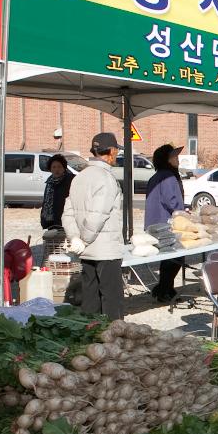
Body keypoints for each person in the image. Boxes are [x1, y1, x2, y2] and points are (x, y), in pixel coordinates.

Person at [62, 132, 125, 320]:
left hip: (86, 251)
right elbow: (98, 215)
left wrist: (75, 238)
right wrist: (84, 239)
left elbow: (67, 212)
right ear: (111, 151)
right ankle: (114, 342)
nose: (117, 155)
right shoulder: (106, 178)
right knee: (112, 300)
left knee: (90, 299)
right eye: (116, 151)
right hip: (105, 250)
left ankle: (89, 338)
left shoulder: (79, 177)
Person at [144, 143, 185, 303]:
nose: (178, 159)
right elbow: (172, 201)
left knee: (168, 258)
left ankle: (166, 288)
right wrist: (183, 215)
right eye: (174, 156)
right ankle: (163, 289)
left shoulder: (157, 176)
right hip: (166, 224)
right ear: (166, 159)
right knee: (175, 257)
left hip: (154, 224)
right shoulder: (168, 176)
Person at [40, 154, 73, 230]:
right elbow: (45, 202)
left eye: (59, 167)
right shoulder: (49, 182)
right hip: (51, 221)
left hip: (66, 220)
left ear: (64, 168)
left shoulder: (70, 180)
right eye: (54, 167)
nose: (56, 169)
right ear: (50, 169)